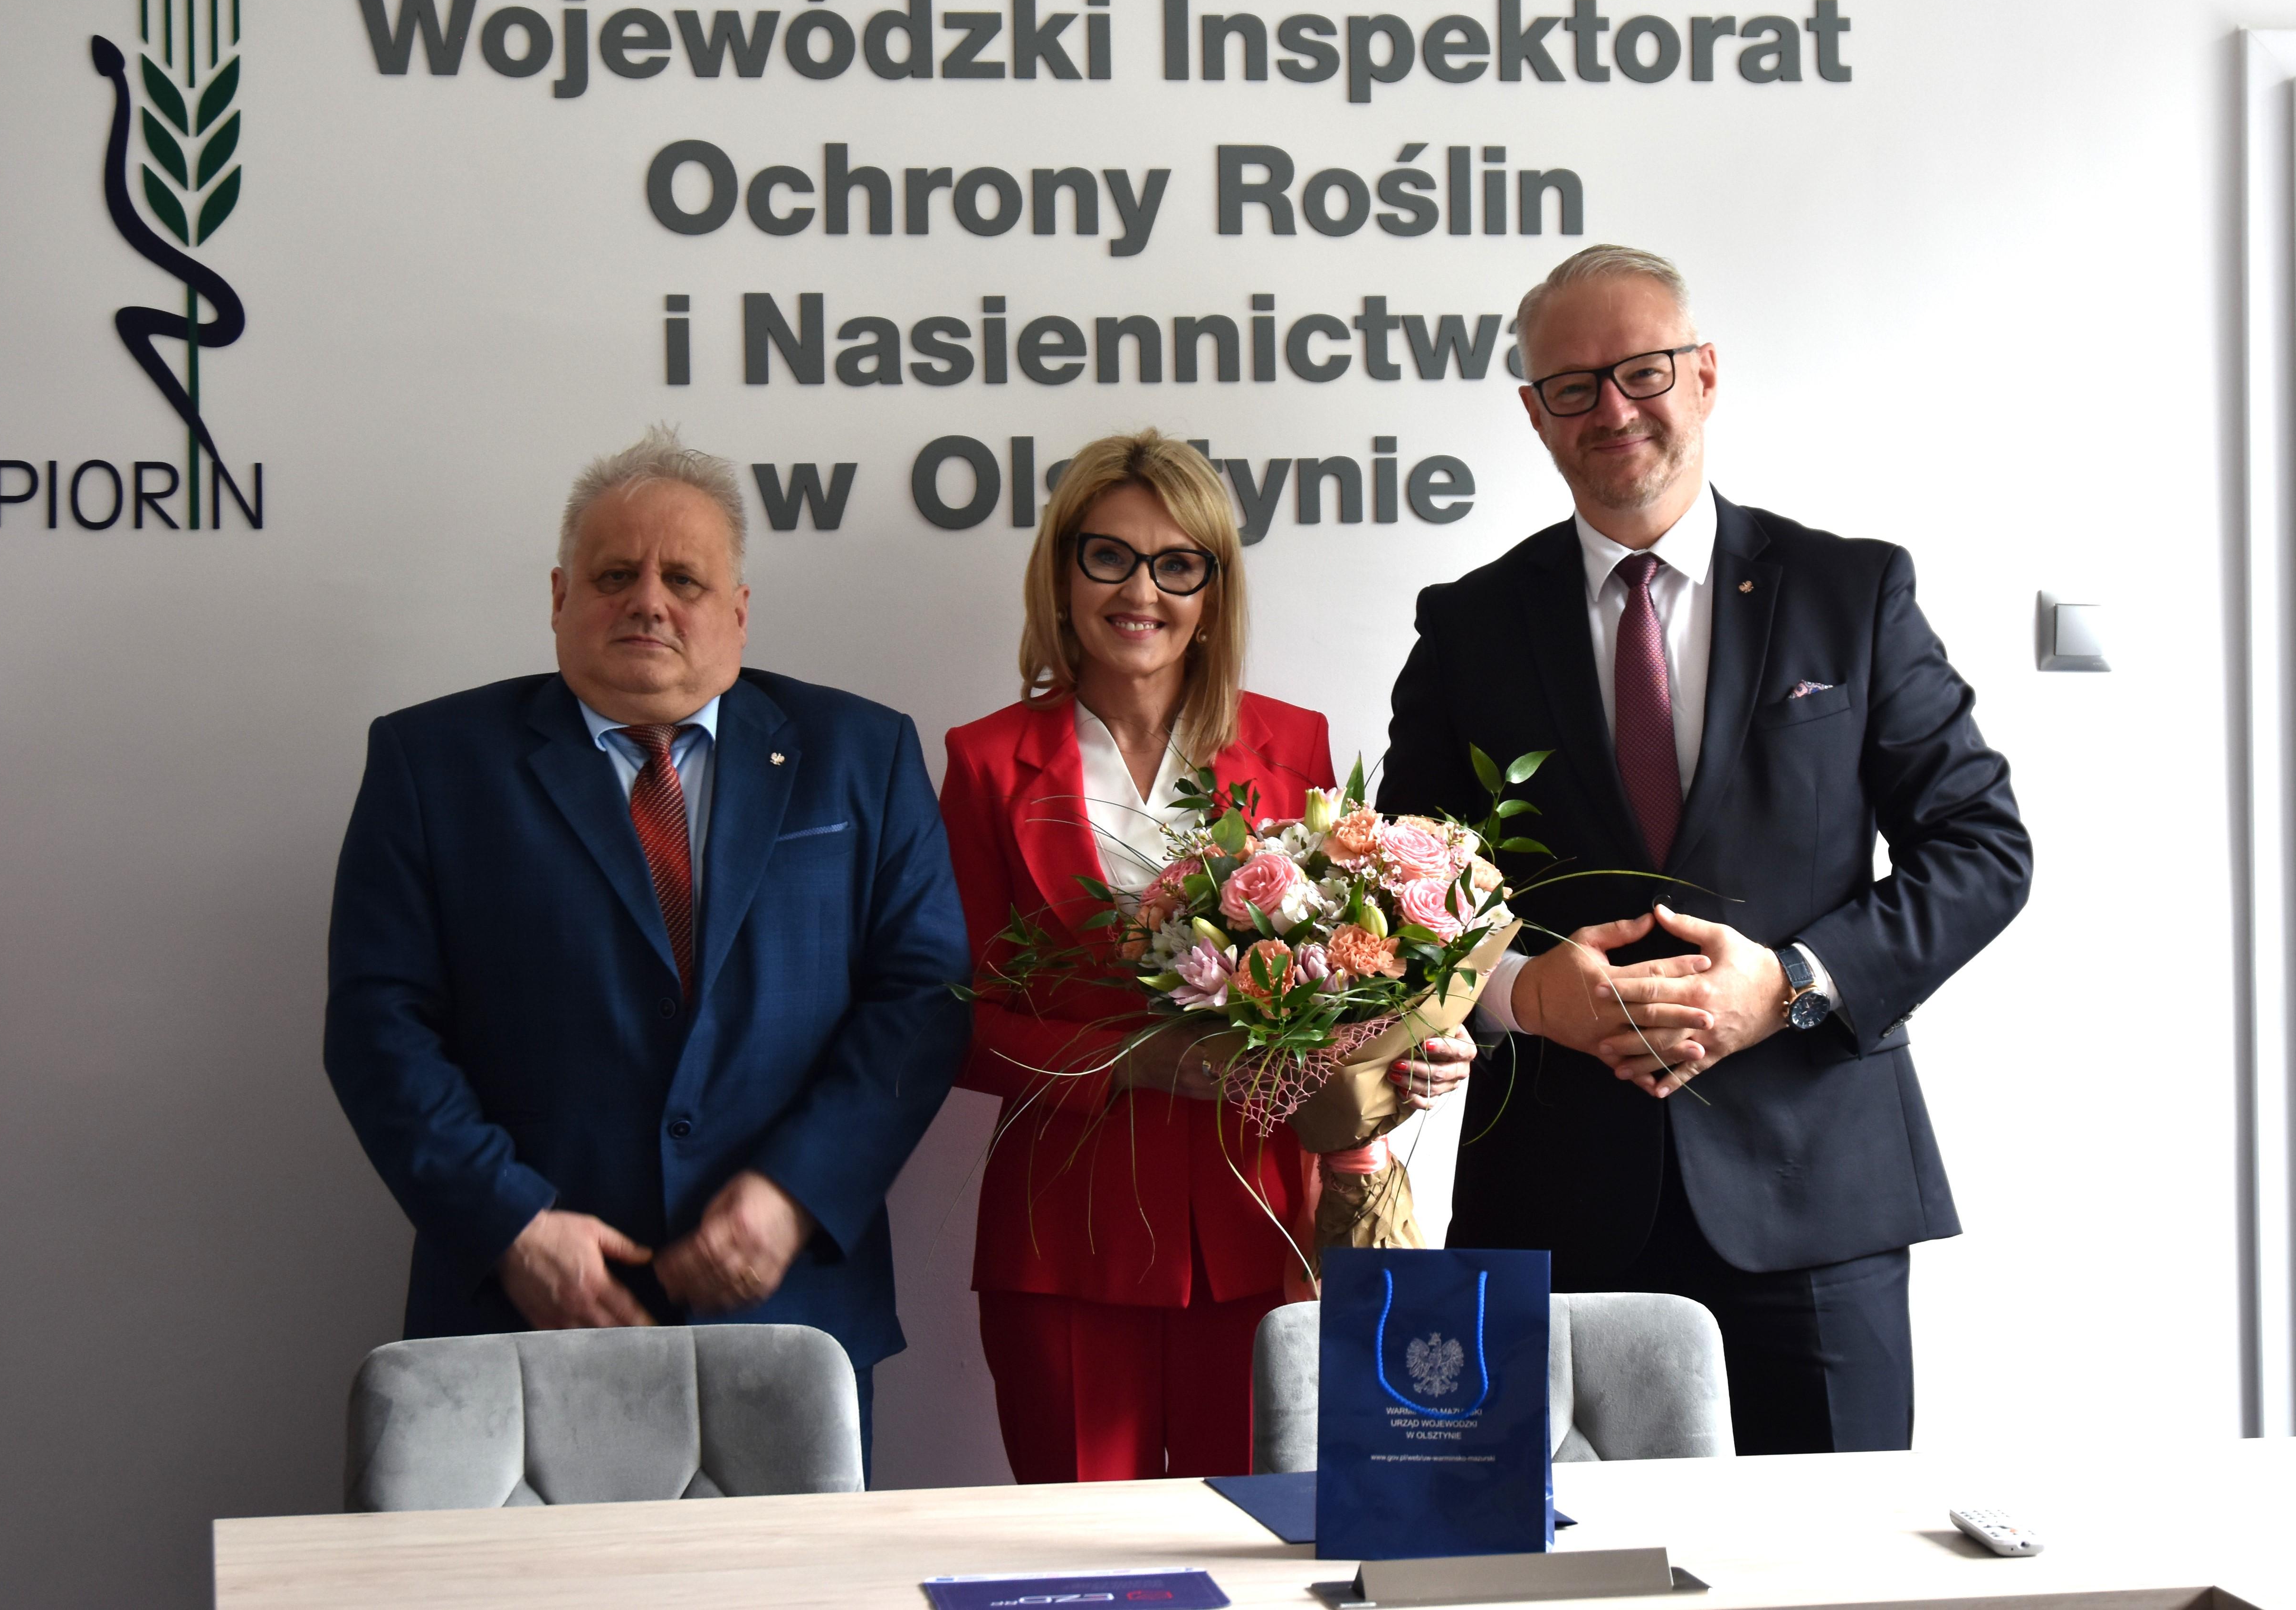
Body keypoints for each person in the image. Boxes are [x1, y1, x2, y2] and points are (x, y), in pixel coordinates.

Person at [1377, 246, 2032, 1455]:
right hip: (1552, 1195)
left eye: (1643, 370)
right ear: (1534, 413)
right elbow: (1402, 900)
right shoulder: (1469, 626)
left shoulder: (1851, 591)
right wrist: (1525, 995)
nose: (1612, 408)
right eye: (1572, 386)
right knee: (1530, 1554)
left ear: (1706, 374)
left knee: (1828, 1551)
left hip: (1814, 1196)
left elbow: (1981, 848)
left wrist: (1788, 985)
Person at [324, 427, 970, 1471]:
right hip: (517, 1316)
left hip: (791, 1312)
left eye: (685, 579)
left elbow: (924, 998)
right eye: (615, 575)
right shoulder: (430, 764)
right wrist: (513, 1227)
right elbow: (377, 1025)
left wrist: (795, 1194)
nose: (649, 603)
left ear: (739, 610)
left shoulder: (864, 754)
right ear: (559, 597)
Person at [940, 430, 1475, 1483]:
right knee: (1084, 1554)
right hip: (1068, 1233)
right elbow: (958, 1023)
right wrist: (1135, 1062)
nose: (1141, 591)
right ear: (1062, 572)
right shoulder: (986, 761)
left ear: (1213, 589)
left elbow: (1361, 978)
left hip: (1266, 1219)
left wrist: (1413, 1054)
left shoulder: (1296, 744)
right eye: (1109, 556)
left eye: (1177, 564)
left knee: (1268, 1536)